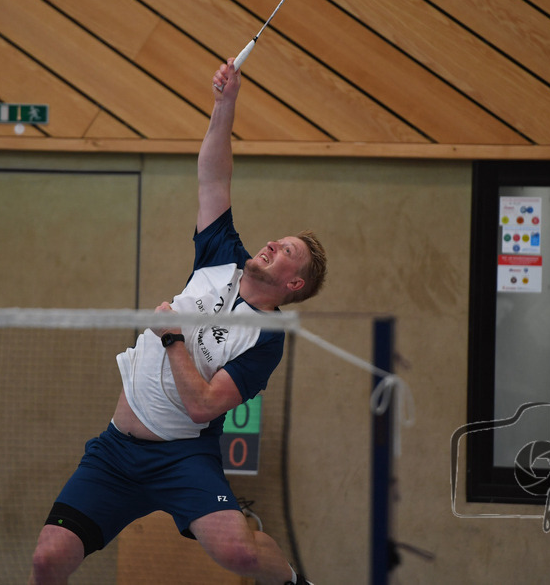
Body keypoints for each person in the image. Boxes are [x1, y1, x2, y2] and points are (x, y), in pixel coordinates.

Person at [28, 60, 327, 585]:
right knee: (47, 559)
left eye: (289, 252)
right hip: (117, 452)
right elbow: (213, 174)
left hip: (184, 459)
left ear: (293, 284)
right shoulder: (220, 256)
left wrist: (172, 339)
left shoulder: (267, 340)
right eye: (280, 239)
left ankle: (293, 581)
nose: (274, 243)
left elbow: (204, 405)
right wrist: (225, 103)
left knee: (239, 553)